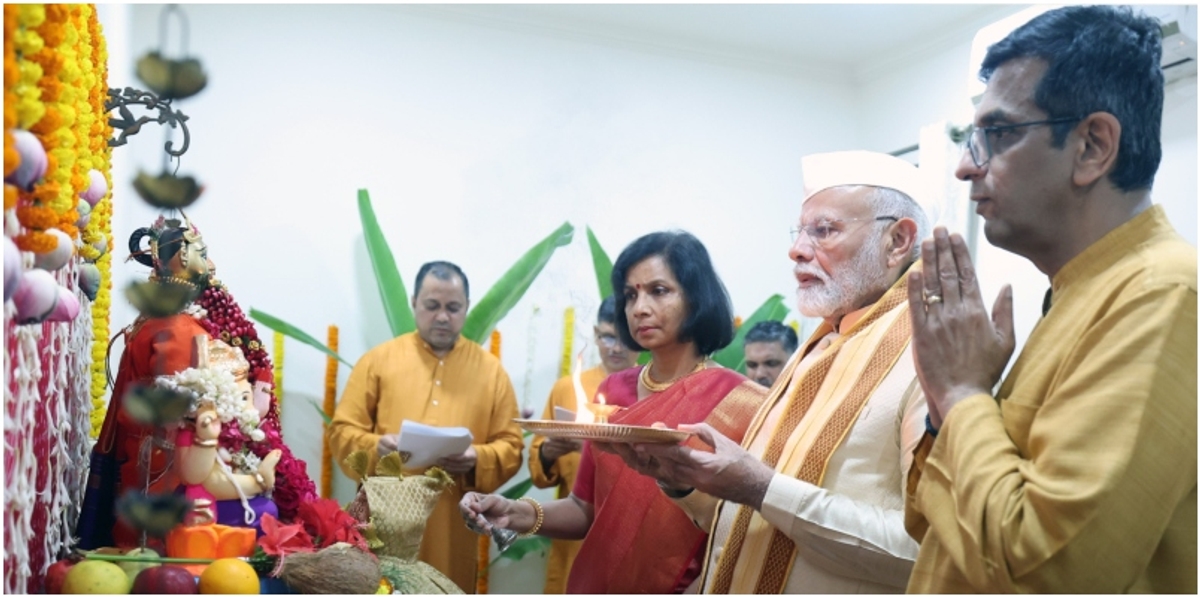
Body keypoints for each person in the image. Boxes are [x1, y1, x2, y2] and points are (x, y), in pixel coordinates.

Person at [904, 6, 1196, 593]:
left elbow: (1045, 572)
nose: (965, 167)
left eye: (999, 135)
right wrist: (950, 406)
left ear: (1092, 146)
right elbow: (926, 519)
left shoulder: (1163, 294)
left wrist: (961, 395)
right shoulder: (1079, 290)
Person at [610, 150, 933, 593]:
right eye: (801, 232)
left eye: (824, 231)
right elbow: (755, 522)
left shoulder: (934, 355)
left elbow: (931, 553)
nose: (797, 249)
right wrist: (682, 480)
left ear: (898, 240)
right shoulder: (819, 348)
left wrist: (761, 488)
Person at [461, 231, 767, 594]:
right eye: (630, 295)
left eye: (659, 291)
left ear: (695, 297)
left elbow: (747, 533)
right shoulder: (613, 390)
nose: (639, 308)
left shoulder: (742, 402)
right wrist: (514, 512)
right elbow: (584, 508)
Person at [329, 261, 524, 593]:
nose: (443, 317)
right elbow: (342, 432)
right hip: (384, 526)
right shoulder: (378, 361)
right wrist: (377, 446)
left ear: (466, 308)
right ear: (414, 303)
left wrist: (476, 457)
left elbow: (511, 446)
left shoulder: (491, 372)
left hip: (453, 527)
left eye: (453, 307)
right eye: (432, 306)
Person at [79, 216, 216, 550]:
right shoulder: (179, 328)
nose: (211, 263)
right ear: (183, 259)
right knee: (150, 550)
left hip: (144, 452)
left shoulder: (161, 318)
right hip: (160, 456)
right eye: (203, 252)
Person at [527, 294, 639, 594]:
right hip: (575, 530)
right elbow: (539, 471)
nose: (615, 348)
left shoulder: (650, 391)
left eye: (624, 339)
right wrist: (548, 453)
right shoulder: (566, 389)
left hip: (633, 535)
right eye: (607, 337)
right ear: (595, 335)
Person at [741, 320, 798, 387]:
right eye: (752, 365)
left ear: (796, 362)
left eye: (771, 363)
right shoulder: (735, 396)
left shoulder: (811, 395)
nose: (759, 374)